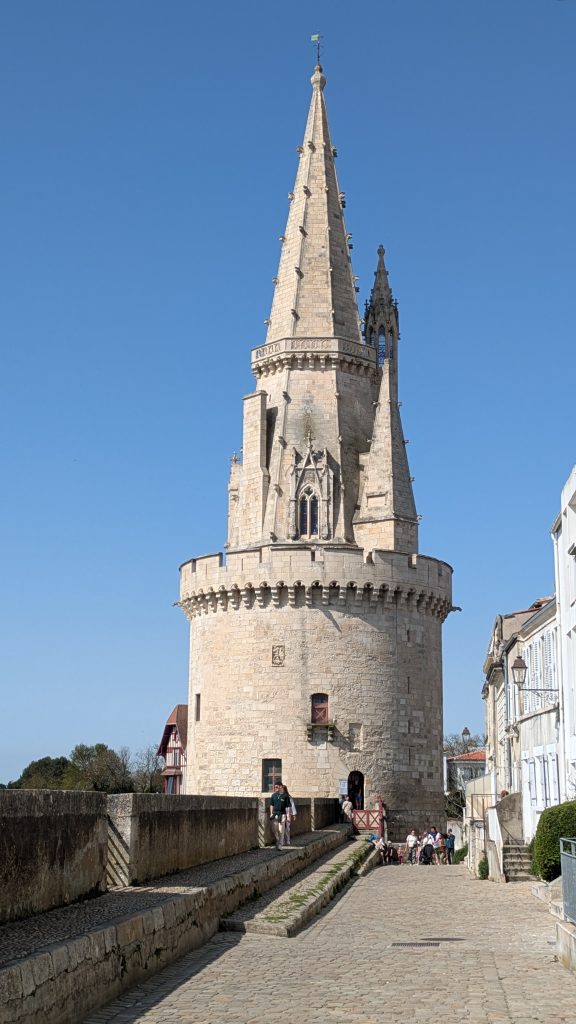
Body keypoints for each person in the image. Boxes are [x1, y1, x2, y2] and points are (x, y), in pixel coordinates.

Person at [269, 781, 290, 850]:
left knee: (281, 830)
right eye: (274, 787)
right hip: (275, 814)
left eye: (277, 787)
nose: (275, 788)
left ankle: (280, 844)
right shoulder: (273, 795)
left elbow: (287, 807)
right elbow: (271, 805)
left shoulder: (285, 796)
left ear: (281, 786)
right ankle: (278, 840)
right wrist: (271, 813)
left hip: (282, 814)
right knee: (274, 829)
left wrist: (288, 816)